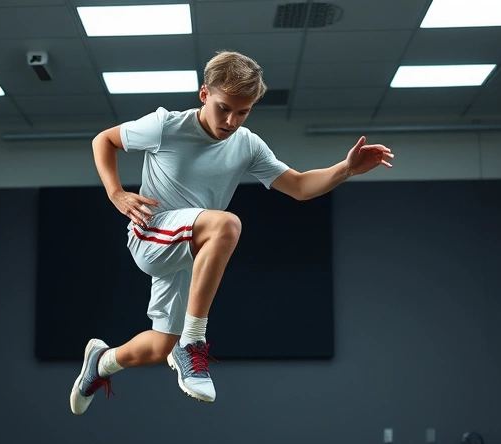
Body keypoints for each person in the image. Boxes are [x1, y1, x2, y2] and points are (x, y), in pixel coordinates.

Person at [70, 51, 393, 415]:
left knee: (159, 347)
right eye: (224, 107)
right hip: (152, 233)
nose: (231, 120)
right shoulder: (165, 126)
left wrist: (345, 168)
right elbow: (104, 140)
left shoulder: (247, 145)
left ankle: (102, 362)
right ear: (204, 94)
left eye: (243, 112)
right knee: (227, 223)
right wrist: (116, 193)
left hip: (191, 251)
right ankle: (193, 343)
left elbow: (300, 186)